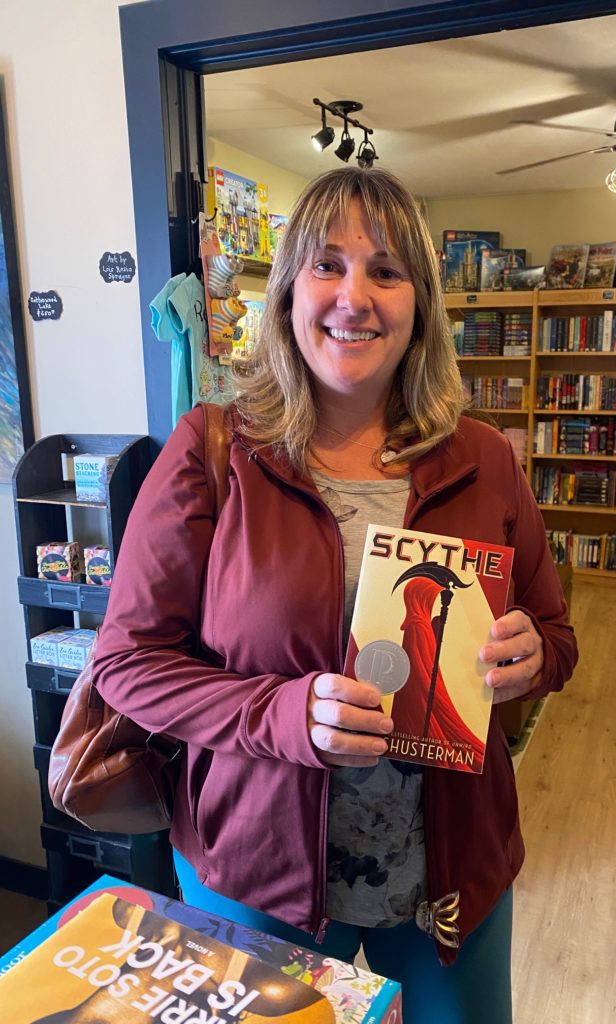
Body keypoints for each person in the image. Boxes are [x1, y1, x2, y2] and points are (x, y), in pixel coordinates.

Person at [92, 165, 578, 1023]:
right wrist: (285, 715)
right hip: (255, 873)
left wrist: (534, 654)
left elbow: (555, 634)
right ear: (286, 294)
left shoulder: (487, 459)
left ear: (419, 305)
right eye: (328, 265)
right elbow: (128, 667)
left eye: (386, 272)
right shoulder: (214, 450)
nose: (355, 296)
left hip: (451, 875)